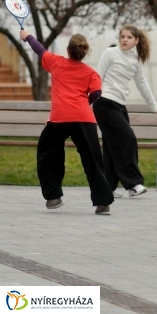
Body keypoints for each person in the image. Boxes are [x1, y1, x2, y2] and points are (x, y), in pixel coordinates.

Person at [20, 29, 114, 215]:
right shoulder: (91, 72)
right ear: (84, 52)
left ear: (68, 50)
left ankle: (53, 197)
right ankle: (103, 203)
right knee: (93, 160)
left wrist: (27, 37)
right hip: (83, 119)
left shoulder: (56, 63)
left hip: (59, 118)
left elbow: (40, 50)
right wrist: (83, 103)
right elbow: (96, 94)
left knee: (48, 154)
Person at [94, 25, 157, 199]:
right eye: (122, 37)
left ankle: (107, 187)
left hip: (119, 106)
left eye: (129, 37)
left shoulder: (135, 60)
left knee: (111, 147)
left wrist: (154, 106)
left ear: (136, 40)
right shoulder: (110, 53)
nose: (125, 40)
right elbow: (97, 75)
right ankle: (133, 184)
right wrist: (88, 99)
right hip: (104, 103)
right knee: (128, 138)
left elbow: (142, 84)